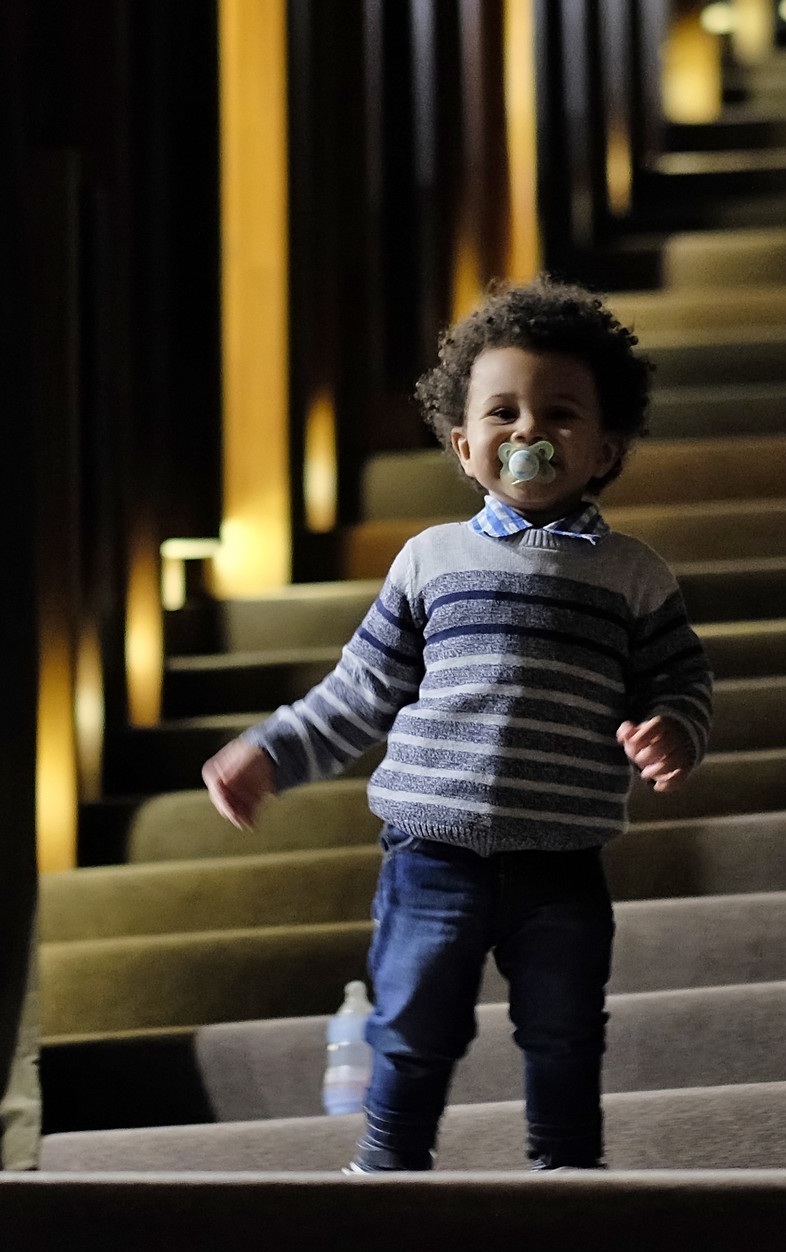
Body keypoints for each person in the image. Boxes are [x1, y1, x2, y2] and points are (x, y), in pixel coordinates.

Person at [201, 277, 713, 1172]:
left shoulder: (635, 577)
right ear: (464, 444)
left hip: (561, 855)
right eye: (502, 413)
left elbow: (681, 680)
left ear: (605, 450)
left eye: (560, 414)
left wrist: (672, 727)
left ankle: (567, 1167)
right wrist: (270, 751)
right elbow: (361, 690)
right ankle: (390, 1163)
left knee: (565, 1028)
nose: (528, 431)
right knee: (412, 1019)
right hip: (432, 849)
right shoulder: (430, 559)